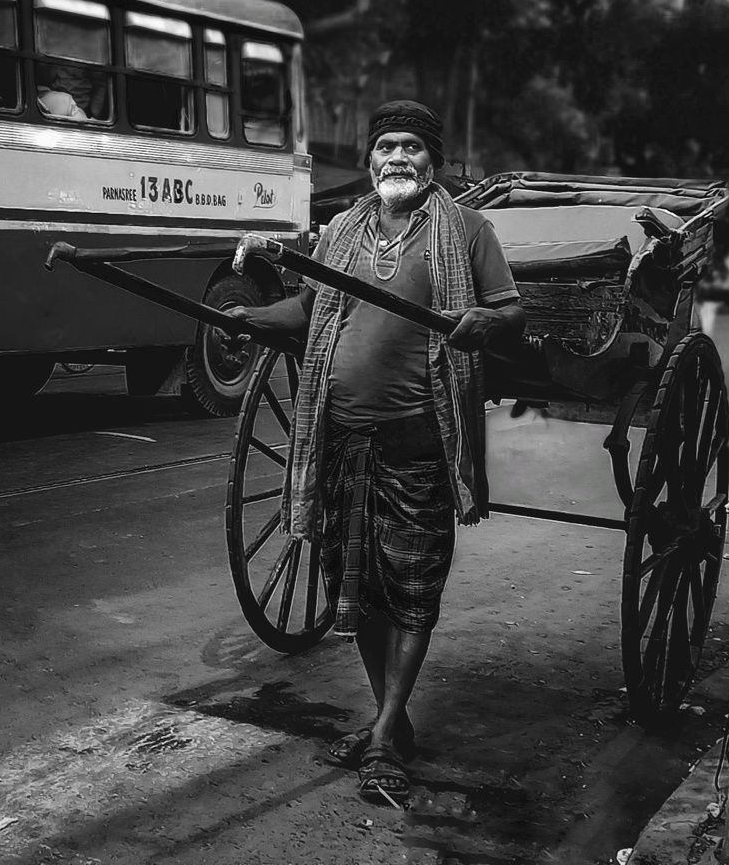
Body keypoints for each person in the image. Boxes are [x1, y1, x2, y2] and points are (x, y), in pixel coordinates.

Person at [223, 100, 525, 804]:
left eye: (412, 147)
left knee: (413, 588)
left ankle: (385, 734)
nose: (398, 157)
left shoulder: (469, 231)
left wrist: (487, 320)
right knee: (351, 584)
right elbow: (310, 312)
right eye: (386, 145)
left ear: (433, 161)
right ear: (369, 160)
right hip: (339, 438)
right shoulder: (344, 233)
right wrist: (248, 318)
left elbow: (513, 315)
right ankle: (392, 720)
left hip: (419, 439)